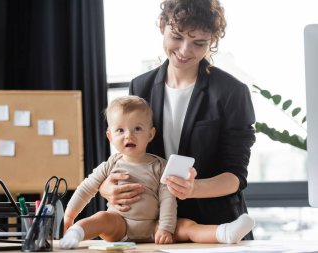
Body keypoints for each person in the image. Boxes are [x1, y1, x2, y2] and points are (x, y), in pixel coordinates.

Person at [99, 0, 257, 241]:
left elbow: (236, 176)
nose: (185, 50)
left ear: (211, 42)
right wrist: (105, 188)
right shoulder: (140, 87)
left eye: (198, 43)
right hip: (155, 228)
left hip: (217, 227)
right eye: (177, 37)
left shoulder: (232, 92)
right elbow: (130, 156)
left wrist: (194, 189)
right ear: (162, 25)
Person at [59, 96, 254, 249]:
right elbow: (87, 188)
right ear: (110, 136)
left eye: (137, 129)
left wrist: (166, 228)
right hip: (121, 224)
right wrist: (69, 215)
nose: (129, 135)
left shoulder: (160, 166)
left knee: (187, 226)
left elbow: (167, 200)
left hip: (154, 225)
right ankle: (75, 233)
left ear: (150, 134)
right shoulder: (110, 164)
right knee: (102, 218)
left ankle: (225, 233)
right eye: (120, 130)